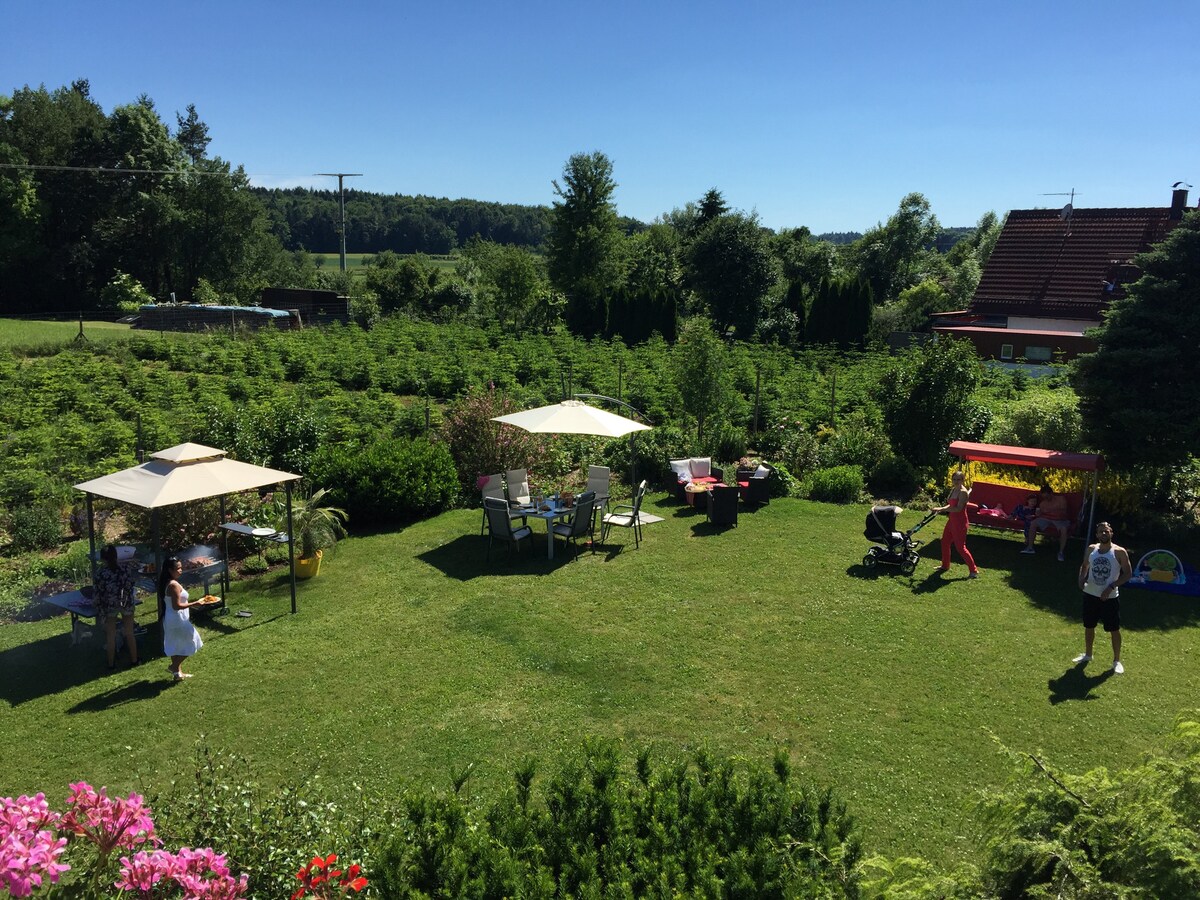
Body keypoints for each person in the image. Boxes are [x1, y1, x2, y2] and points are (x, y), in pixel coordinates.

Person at [1073, 521, 1132, 674]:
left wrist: (1111, 587)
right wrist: (1081, 578)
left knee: (1114, 629)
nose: (1103, 534)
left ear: (1111, 533)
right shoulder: (1091, 549)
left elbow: (1128, 574)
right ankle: (1088, 654)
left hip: (1110, 598)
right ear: (1097, 535)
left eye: (1106, 531)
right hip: (1090, 594)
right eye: (1100, 532)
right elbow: (1084, 565)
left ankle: (1116, 660)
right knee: (1089, 626)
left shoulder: (1119, 552)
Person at [94, 545, 139, 669]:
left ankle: (111, 664)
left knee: (111, 635)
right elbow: (130, 585)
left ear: (103, 559)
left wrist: (99, 606)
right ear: (116, 556)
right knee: (130, 633)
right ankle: (135, 660)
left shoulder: (100, 573)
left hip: (110, 605)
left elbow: (98, 592)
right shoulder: (125, 569)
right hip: (126, 603)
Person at [158, 556, 203, 680]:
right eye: (177, 568)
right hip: (177, 619)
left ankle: (178, 674)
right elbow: (177, 606)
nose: (180, 570)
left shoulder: (166, 582)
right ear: (169, 570)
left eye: (181, 568)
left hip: (170, 619)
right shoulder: (173, 585)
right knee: (193, 641)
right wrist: (195, 603)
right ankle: (174, 666)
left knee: (175, 644)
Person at [932, 471, 979, 578]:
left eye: (959, 479)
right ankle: (945, 565)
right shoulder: (954, 489)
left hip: (960, 522)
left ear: (962, 480)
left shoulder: (963, 492)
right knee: (945, 542)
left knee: (960, 547)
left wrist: (940, 509)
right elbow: (950, 504)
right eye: (954, 479)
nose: (956, 481)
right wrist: (941, 509)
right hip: (952, 520)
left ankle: (974, 570)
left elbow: (958, 508)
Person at [1025, 484, 1072, 560]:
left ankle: (1061, 552)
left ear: (1051, 493)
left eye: (1047, 497)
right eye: (1044, 497)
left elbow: (1063, 513)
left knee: (1064, 529)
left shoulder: (1061, 499)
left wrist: (1050, 513)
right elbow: (1041, 515)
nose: (1046, 499)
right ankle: (1030, 548)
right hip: (1046, 518)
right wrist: (1038, 514)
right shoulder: (1043, 504)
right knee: (1033, 523)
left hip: (1060, 520)